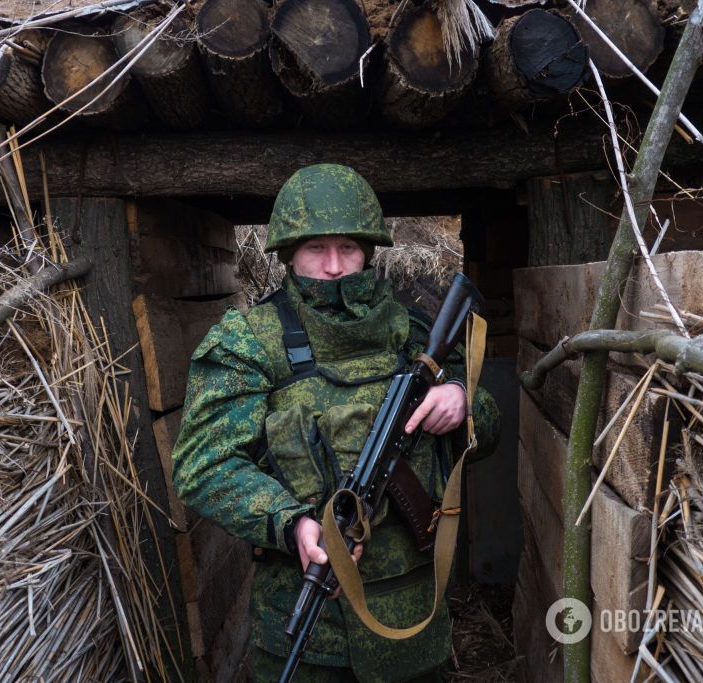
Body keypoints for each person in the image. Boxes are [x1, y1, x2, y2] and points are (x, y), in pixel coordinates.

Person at [172, 164, 499, 682]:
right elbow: (203, 465)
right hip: (308, 625)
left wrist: (461, 401)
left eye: (347, 248)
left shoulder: (411, 332)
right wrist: (292, 522)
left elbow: (489, 427)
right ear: (288, 255)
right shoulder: (248, 341)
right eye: (314, 249)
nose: (333, 266)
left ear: (368, 251)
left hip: (413, 620)